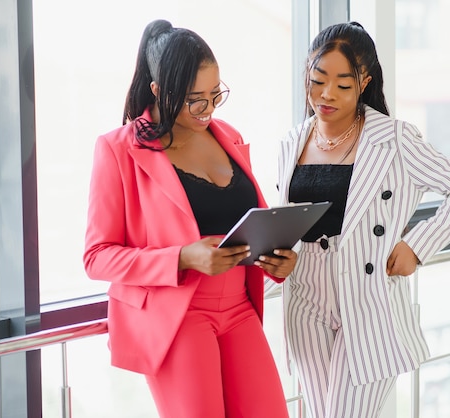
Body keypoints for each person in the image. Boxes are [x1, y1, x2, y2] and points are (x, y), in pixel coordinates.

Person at [276, 22, 450, 418]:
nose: (326, 94)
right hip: (305, 295)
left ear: (364, 82)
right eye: (317, 79)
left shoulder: (394, 139)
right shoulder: (292, 141)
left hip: (368, 297)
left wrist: (417, 246)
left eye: (342, 85)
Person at [83, 20, 296, 418]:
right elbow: (96, 256)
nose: (208, 109)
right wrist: (181, 256)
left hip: (239, 308)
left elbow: (250, 218)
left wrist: (276, 260)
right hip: (178, 315)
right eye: (195, 99)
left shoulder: (228, 136)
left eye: (216, 95)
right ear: (159, 91)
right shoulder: (117, 150)